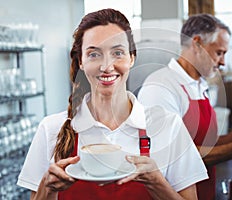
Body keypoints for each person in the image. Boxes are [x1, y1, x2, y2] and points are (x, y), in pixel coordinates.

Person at [17, 9, 209, 200]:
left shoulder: (168, 126)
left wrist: (157, 183)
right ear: (81, 62)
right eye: (94, 54)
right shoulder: (51, 129)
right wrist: (47, 188)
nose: (107, 66)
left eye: (117, 52)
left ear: (132, 58)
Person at [138, 13, 232, 200]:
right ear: (197, 44)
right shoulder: (162, 87)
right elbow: (174, 158)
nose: (222, 62)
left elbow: (205, 144)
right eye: (219, 52)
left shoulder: (199, 85)